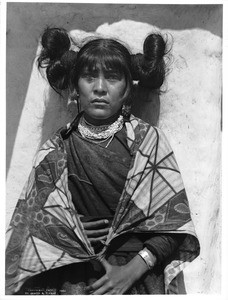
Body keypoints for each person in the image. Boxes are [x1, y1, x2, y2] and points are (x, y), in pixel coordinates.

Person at [5, 27, 200, 295]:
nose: (99, 88)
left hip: (139, 279)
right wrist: (64, 227)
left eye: (112, 77)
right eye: (88, 77)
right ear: (75, 87)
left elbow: (173, 225)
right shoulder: (56, 149)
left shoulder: (148, 143)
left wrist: (132, 270)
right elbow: (26, 230)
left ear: (127, 90)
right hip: (69, 279)